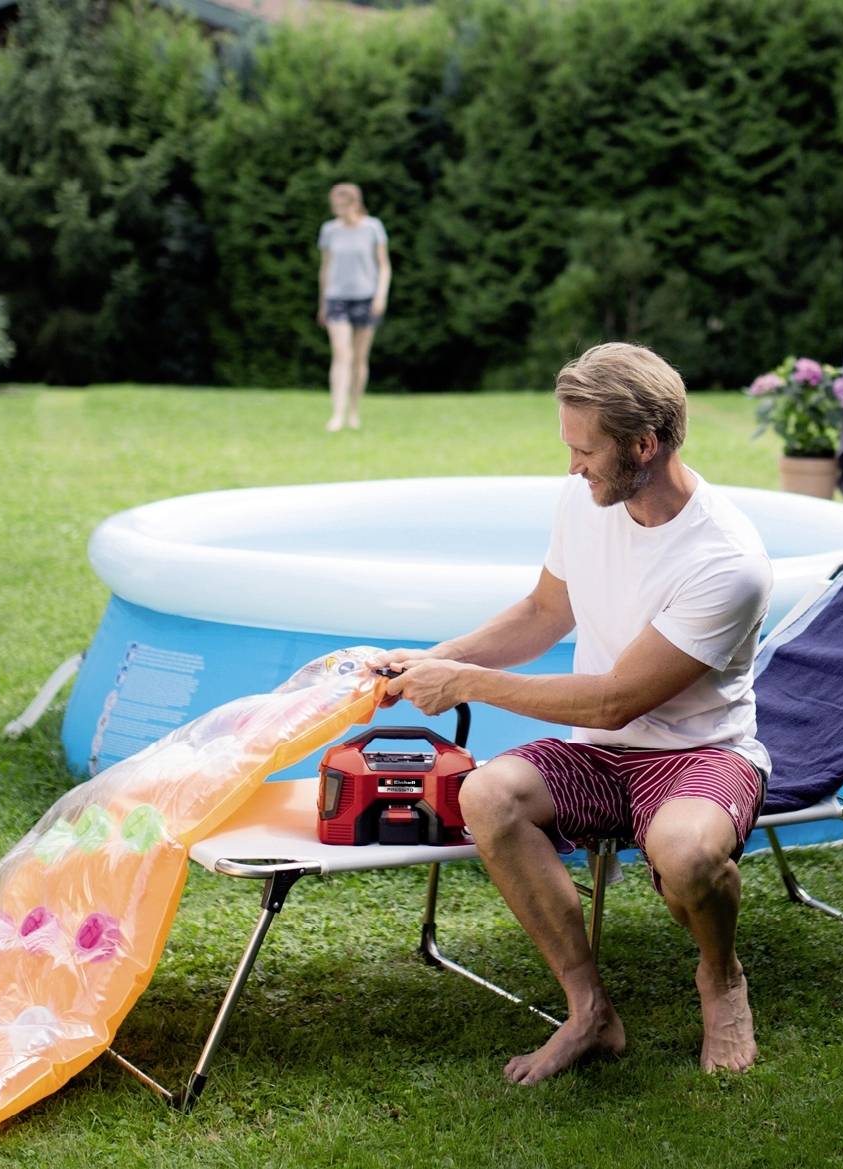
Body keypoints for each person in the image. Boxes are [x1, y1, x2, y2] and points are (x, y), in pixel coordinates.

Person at [376, 342, 773, 1084]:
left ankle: (720, 978)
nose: (571, 467)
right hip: (599, 753)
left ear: (644, 445)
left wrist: (464, 682)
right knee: (487, 795)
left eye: (584, 451)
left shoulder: (727, 561)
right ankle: (589, 1009)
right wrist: (432, 658)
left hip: (696, 755)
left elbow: (615, 697)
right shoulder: (588, 498)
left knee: (686, 854)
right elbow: (543, 610)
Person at [315, 182, 391, 432]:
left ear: (355, 203)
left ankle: (354, 411)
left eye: (343, 206)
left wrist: (380, 296)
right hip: (337, 297)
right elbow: (325, 268)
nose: (338, 211)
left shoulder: (373, 228)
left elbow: (383, 266)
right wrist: (323, 302)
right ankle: (336, 413)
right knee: (341, 354)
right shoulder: (329, 231)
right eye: (335, 206)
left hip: (366, 297)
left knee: (359, 358)